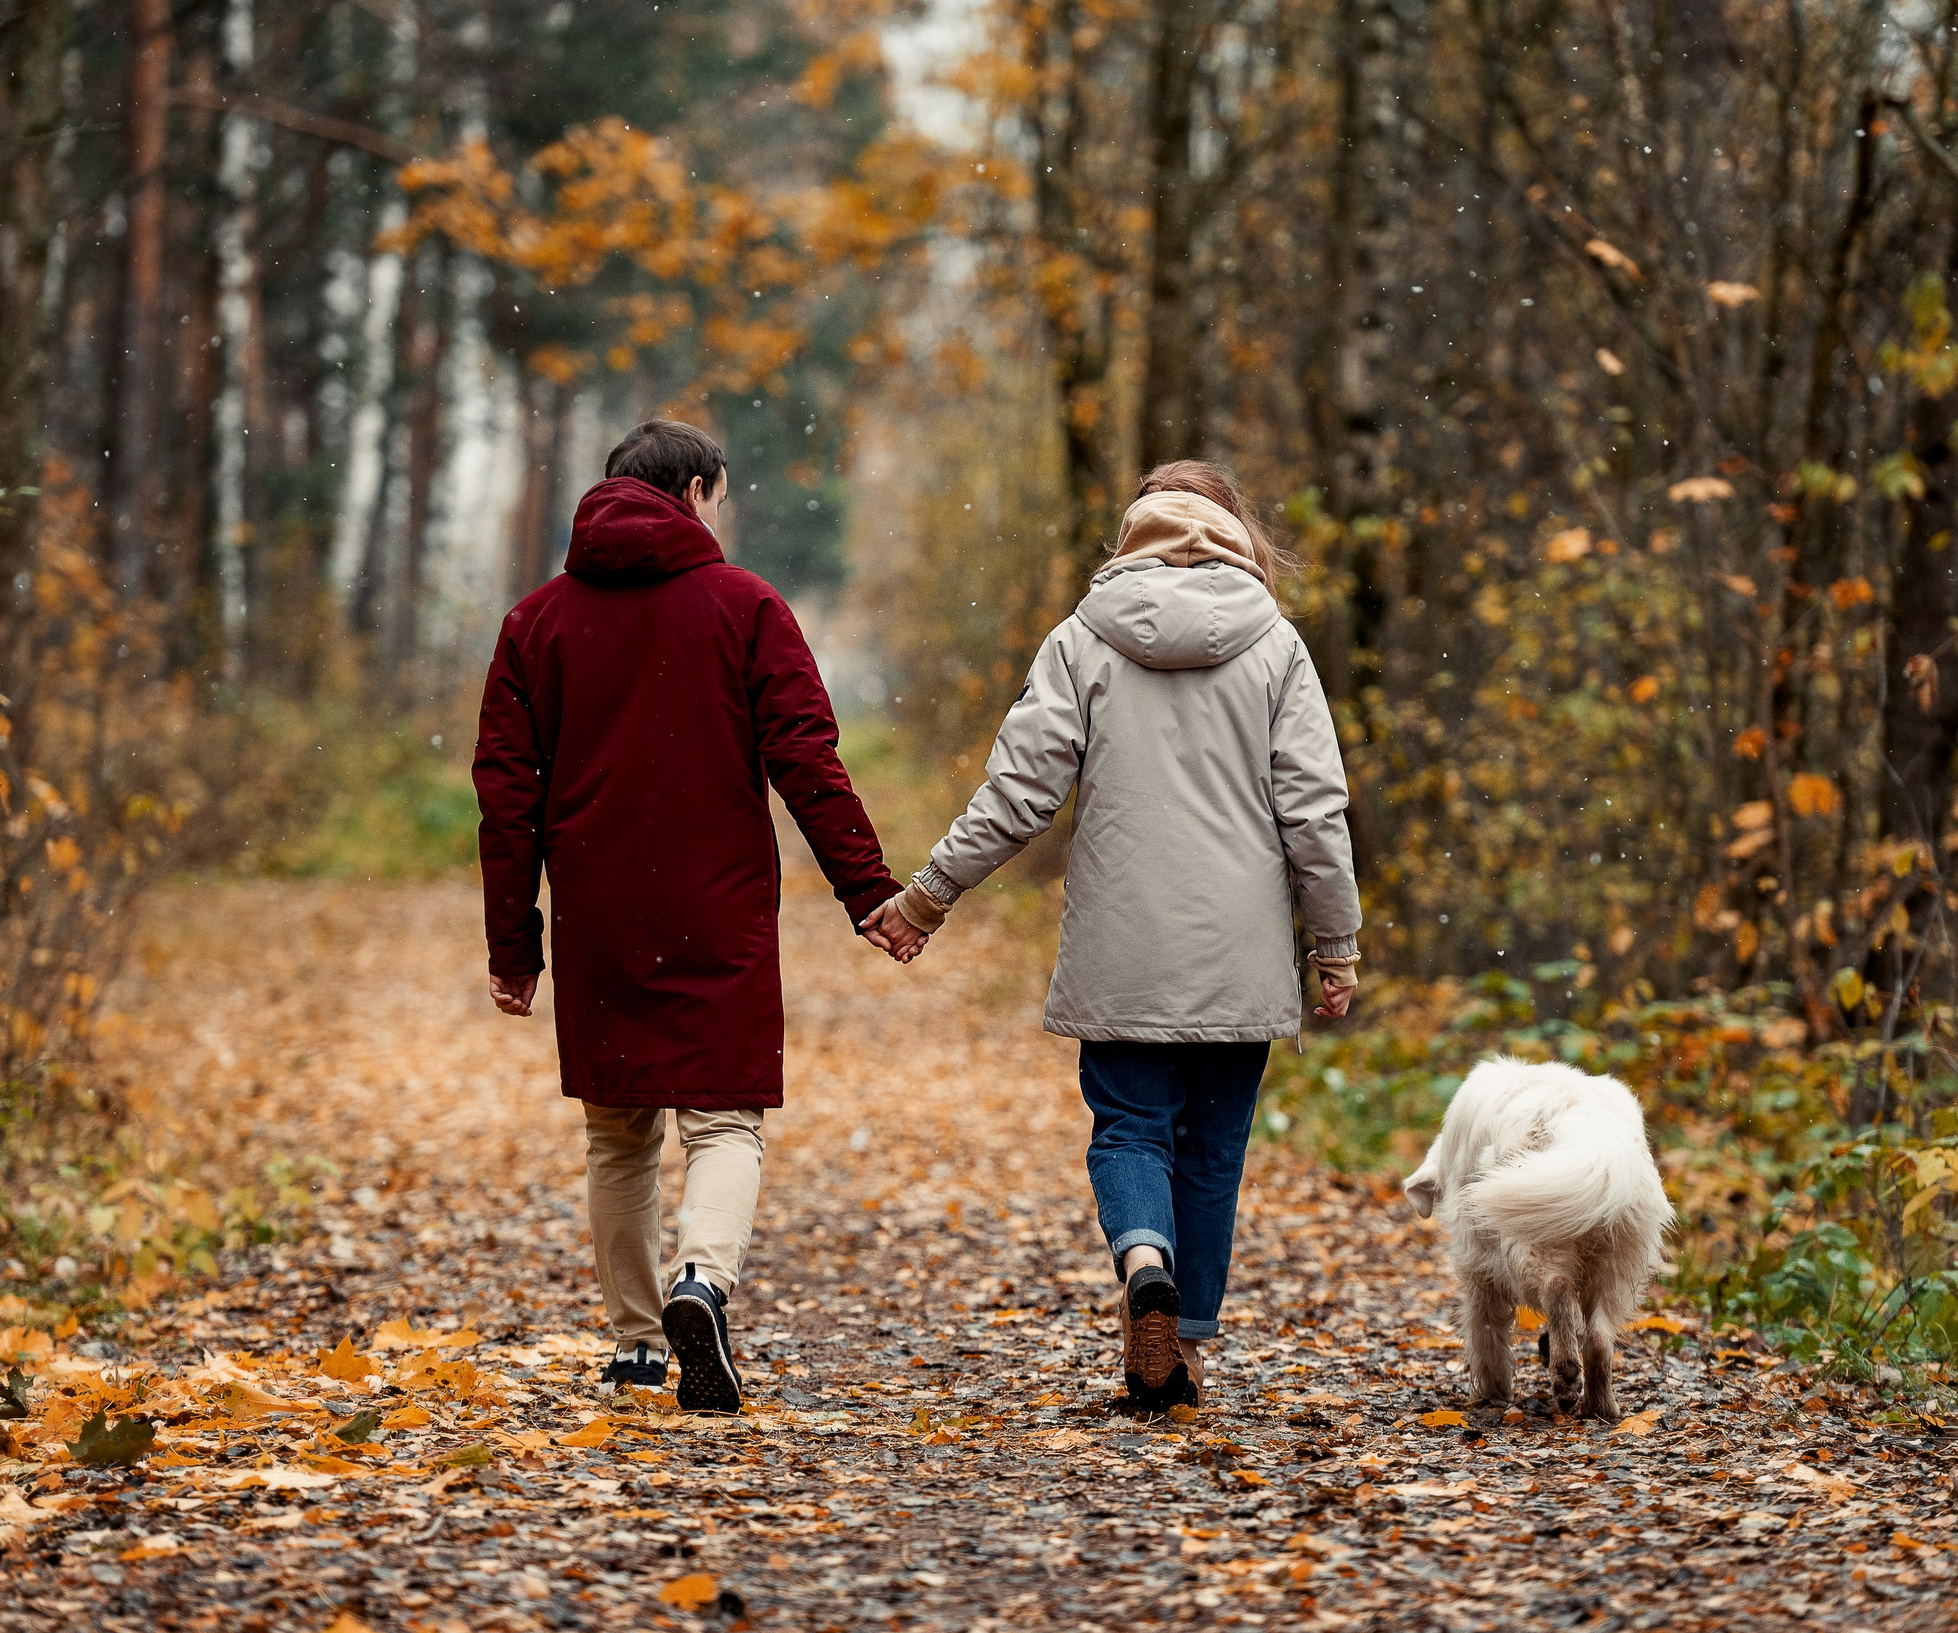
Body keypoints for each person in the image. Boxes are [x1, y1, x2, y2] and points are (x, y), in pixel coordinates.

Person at [865, 461, 1362, 1409]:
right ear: (1233, 533)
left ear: (1137, 529)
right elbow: (1316, 812)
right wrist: (1333, 945)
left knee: (1131, 1129)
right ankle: (1186, 1352)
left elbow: (1020, 796)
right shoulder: (1277, 647)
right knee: (1214, 1149)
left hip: (1122, 949)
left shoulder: (1082, 639)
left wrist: (927, 897)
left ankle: (1144, 1262)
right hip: (1238, 953)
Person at [474, 419, 903, 1414]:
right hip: (717, 903)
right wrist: (867, 888)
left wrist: (513, 939)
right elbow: (805, 754)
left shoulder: (537, 620)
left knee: (618, 1134)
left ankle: (633, 1344)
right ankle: (700, 1282)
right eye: (723, 492)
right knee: (723, 1116)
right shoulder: (745, 607)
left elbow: (506, 790)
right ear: (700, 490)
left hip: (598, 907)